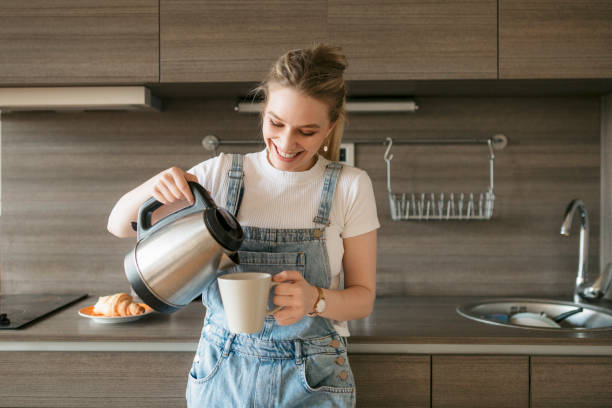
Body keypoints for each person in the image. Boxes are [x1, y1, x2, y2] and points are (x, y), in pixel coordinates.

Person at [107, 44, 379, 407]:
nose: (286, 142)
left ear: (330, 127)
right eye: (276, 123)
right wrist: (154, 185)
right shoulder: (219, 174)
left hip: (313, 377)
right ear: (263, 111)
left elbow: (362, 299)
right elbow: (118, 225)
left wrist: (317, 299)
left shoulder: (350, 185)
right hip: (222, 372)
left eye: (307, 131)